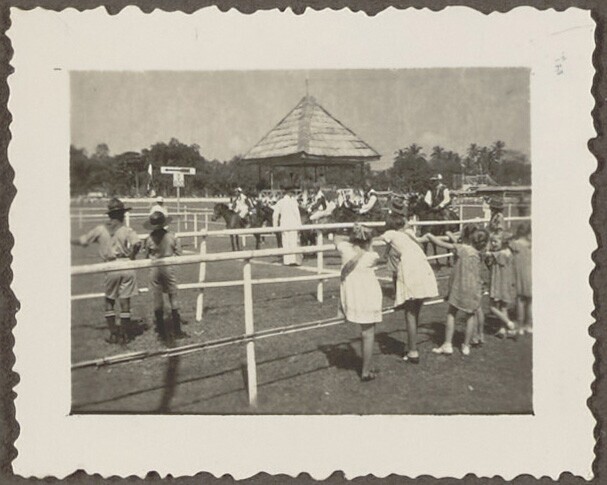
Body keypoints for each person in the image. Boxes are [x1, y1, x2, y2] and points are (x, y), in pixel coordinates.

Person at [71, 198, 142, 344]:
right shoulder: (127, 230)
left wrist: (68, 240)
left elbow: (83, 241)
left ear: (109, 215)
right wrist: (132, 255)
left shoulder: (100, 230)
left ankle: (114, 333)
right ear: (122, 214)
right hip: (126, 265)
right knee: (125, 301)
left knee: (109, 300)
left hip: (111, 266)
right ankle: (124, 335)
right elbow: (137, 244)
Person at [380, 212, 439, 364]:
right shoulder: (408, 233)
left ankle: (413, 351)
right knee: (415, 310)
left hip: (410, 268)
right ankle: (411, 345)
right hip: (421, 265)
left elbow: (378, 239)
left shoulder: (391, 233)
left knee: (410, 312)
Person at [427, 225, 489, 356]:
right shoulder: (480, 253)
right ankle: (466, 346)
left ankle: (448, 344)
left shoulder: (461, 249)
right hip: (474, 288)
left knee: (452, 313)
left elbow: (441, 243)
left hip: (459, 287)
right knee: (470, 316)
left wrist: (430, 236)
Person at [336, 224, 383, 381]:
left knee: (366, 333)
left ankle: (366, 366)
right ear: (368, 241)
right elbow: (371, 249)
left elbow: (336, 238)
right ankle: (365, 371)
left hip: (352, 297)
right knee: (368, 333)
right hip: (369, 296)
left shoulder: (344, 249)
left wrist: (351, 237)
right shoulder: (372, 256)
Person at [143, 211, 188, 344]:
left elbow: (146, 255)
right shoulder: (172, 236)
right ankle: (177, 330)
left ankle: (161, 332)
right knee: (173, 296)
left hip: (155, 268)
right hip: (168, 267)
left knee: (157, 298)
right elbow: (179, 253)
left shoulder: (149, 238)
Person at [485, 232, 517, 338]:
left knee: (492, 307)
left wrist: (486, 250)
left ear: (502, 242)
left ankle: (509, 323)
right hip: (506, 283)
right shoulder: (507, 251)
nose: (493, 244)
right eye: (491, 241)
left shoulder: (501, 253)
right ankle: (502, 330)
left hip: (499, 283)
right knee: (503, 307)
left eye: (495, 241)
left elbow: (487, 254)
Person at [510, 223, 532, 334]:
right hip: (531, 274)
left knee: (520, 300)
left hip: (520, 275)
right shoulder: (531, 245)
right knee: (530, 301)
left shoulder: (515, 244)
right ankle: (529, 324)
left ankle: (520, 326)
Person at [272, 187, 303, 266]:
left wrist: (275, 226)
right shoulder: (294, 202)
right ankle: (293, 260)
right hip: (293, 224)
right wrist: (299, 225)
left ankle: (287, 261)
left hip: (284, 224)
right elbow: (297, 214)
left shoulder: (280, 202)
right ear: (290, 193)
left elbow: (275, 215)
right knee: (293, 242)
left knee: (285, 242)